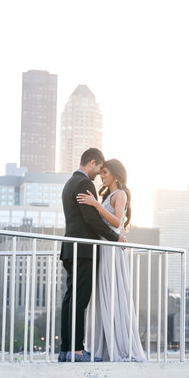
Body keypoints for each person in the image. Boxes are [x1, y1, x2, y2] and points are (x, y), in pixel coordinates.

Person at [76, 158, 146, 362]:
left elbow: (117, 221)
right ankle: (104, 345)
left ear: (115, 174)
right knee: (102, 295)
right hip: (103, 248)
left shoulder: (120, 194)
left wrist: (96, 205)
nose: (102, 176)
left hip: (111, 251)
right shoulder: (108, 194)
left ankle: (119, 346)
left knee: (113, 293)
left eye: (105, 173)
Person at [59, 148, 125, 362]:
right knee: (80, 300)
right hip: (84, 250)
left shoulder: (69, 183)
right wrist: (115, 238)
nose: (98, 174)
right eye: (99, 169)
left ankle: (66, 350)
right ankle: (77, 351)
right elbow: (91, 220)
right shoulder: (85, 184)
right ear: (93, 162)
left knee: (70, 299)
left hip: (70, 248)